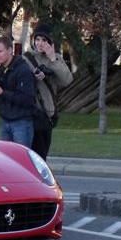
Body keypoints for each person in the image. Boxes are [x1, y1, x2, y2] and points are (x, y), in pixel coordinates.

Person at [22, 23, 74, 160]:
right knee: (34, 157)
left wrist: (53, 59)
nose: (40, 44)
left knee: (42, 156)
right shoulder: (26, 58)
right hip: (32, 113)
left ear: (50, 42)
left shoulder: (55, 58)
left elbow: (67, 80)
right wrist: (34, 77)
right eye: (38, 39)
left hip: (48, 114)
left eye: (44, 40)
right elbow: (20, 81)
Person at [0, 35, 38, 147]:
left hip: (22, 123)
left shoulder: (23, 70)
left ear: (9, 50)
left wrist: (3, 93)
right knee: (6, 160)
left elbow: (28, 100)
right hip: (5, 121)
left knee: (21, 160)